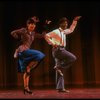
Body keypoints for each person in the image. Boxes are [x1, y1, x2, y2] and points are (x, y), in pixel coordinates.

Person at [45, 16, 81, 92]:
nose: (66, 24)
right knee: (73, 58)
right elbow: (46, 36)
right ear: (60, 24)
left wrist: (74, 20)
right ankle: (58, 66)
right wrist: (52, 43)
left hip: (61, 50)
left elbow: (71, 29)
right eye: (64, 23)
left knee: (59, 71)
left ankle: (60, 88)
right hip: (58, 50)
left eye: (67, 23)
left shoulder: (64, 32)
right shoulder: (56, 31)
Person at [11, 16, 45, 94]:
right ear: (27, 25)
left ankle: (26, 88)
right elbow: (12, 32)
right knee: (40, 55)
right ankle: (17, 51)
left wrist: (45, 26)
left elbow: (42, 35)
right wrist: (18, 39)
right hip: (23, 50)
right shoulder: (23, 30)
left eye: (34, 25)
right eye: (30, 24)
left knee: (27, 71)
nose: (32, 26)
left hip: (27, 52)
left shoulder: (33, 33)